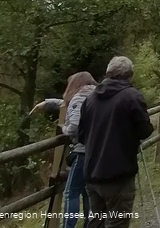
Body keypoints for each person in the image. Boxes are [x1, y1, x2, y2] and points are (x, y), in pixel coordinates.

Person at [77, 56, 154, 228]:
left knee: (96, 222)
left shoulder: (90, 99)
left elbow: (81, 136)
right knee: (117, 222)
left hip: (92, 174)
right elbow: (144, 130)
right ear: (130, 75)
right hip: (118, 175)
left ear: (107, 73)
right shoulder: (131, 97)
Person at [30, 72, 98, 228]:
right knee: (87, 192)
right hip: (95, 151)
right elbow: (70, 104)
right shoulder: (94, 96)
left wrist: (64, 128)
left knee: (71, 193)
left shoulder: (79, 98)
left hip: (82, 152)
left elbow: (74, 125)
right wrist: (48, 103)